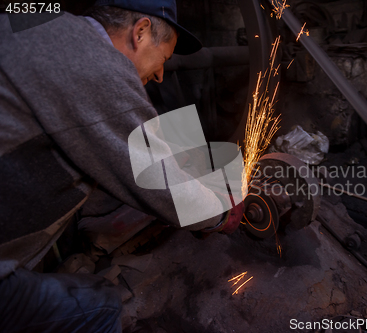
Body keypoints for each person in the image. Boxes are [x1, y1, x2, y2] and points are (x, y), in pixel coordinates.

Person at [0, 1, 244, 331]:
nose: (160, 74)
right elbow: (167, 189)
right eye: (164, 58)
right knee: (99, 305)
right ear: (141, 31)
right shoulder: (96, 66)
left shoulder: (40, 26)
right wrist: (218, 214)